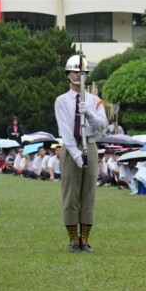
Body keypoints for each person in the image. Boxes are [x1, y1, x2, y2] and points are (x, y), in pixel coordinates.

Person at [54, 54, 108, 251]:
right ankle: (73, 239)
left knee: (88, 192)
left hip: (91, 145)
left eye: (82, 72)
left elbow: (103, 126)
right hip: (71, 147)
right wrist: (76, 154)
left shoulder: (95, 100)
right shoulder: (62, 100)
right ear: (68, 75)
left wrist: (90, 114)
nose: (79, 75)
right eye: (75, 71)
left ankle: (85, 239)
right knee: (70, 192)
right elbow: (66, 129)